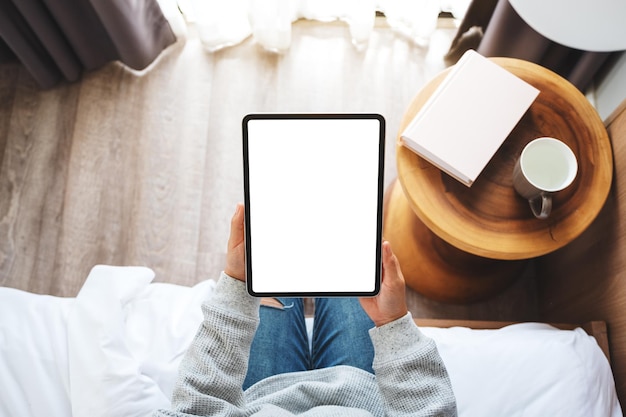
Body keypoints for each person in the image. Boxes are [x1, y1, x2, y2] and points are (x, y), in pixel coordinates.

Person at [154, 204, 457, 417]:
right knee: (347, 251)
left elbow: (195, 409)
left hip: (260, 396)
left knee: (270, 260)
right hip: (361, 394)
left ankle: (299, 215)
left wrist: (237, 285)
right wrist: (392, 323)